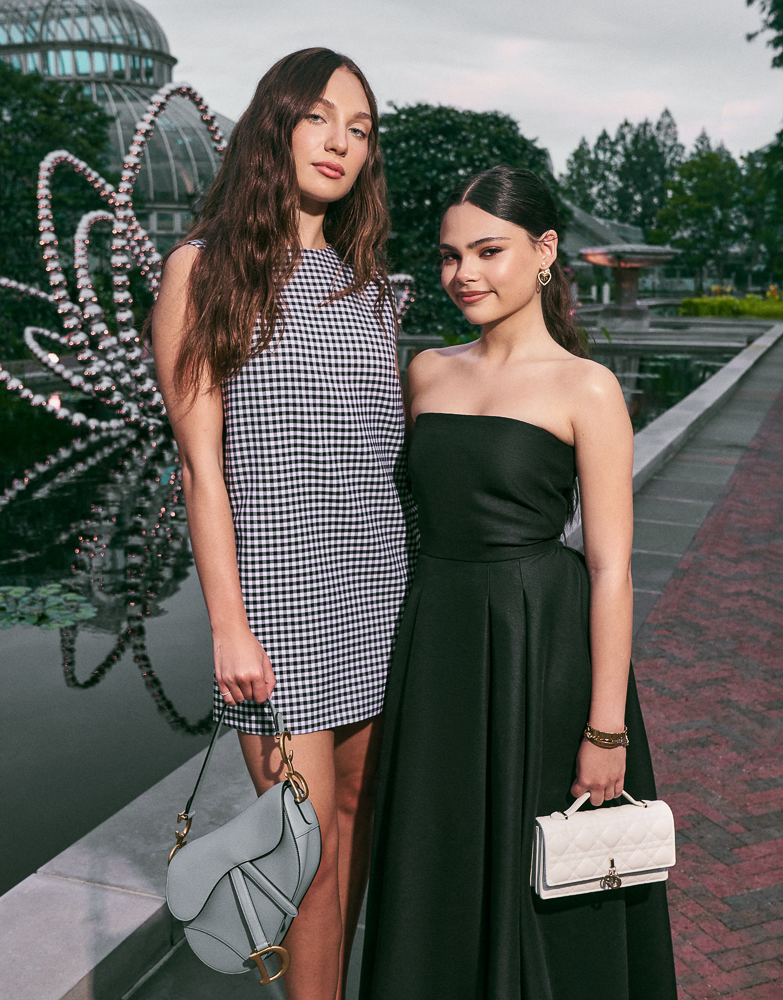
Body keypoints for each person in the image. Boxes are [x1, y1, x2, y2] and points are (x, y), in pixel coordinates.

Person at [360, 165, 677, 999]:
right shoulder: (426, 369)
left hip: (542, 648)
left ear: (543, 251)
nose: (464, 273)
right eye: (449, 255)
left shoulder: (588, 386)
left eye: (488, 251)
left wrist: (607, 731)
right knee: (440, 851)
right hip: (435, 642)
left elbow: (611, 567)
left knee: (544, 876)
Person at [152, 48, 413, 1000]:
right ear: (277, 124)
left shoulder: (375, 294)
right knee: (305, 855)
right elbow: (200, 467)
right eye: (321, 118)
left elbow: (389, 465)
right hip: (279, 612)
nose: (343, 142)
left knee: (358, 825)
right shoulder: (204, 270)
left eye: (362, 129)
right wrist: (227, 624)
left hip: (383, 594)